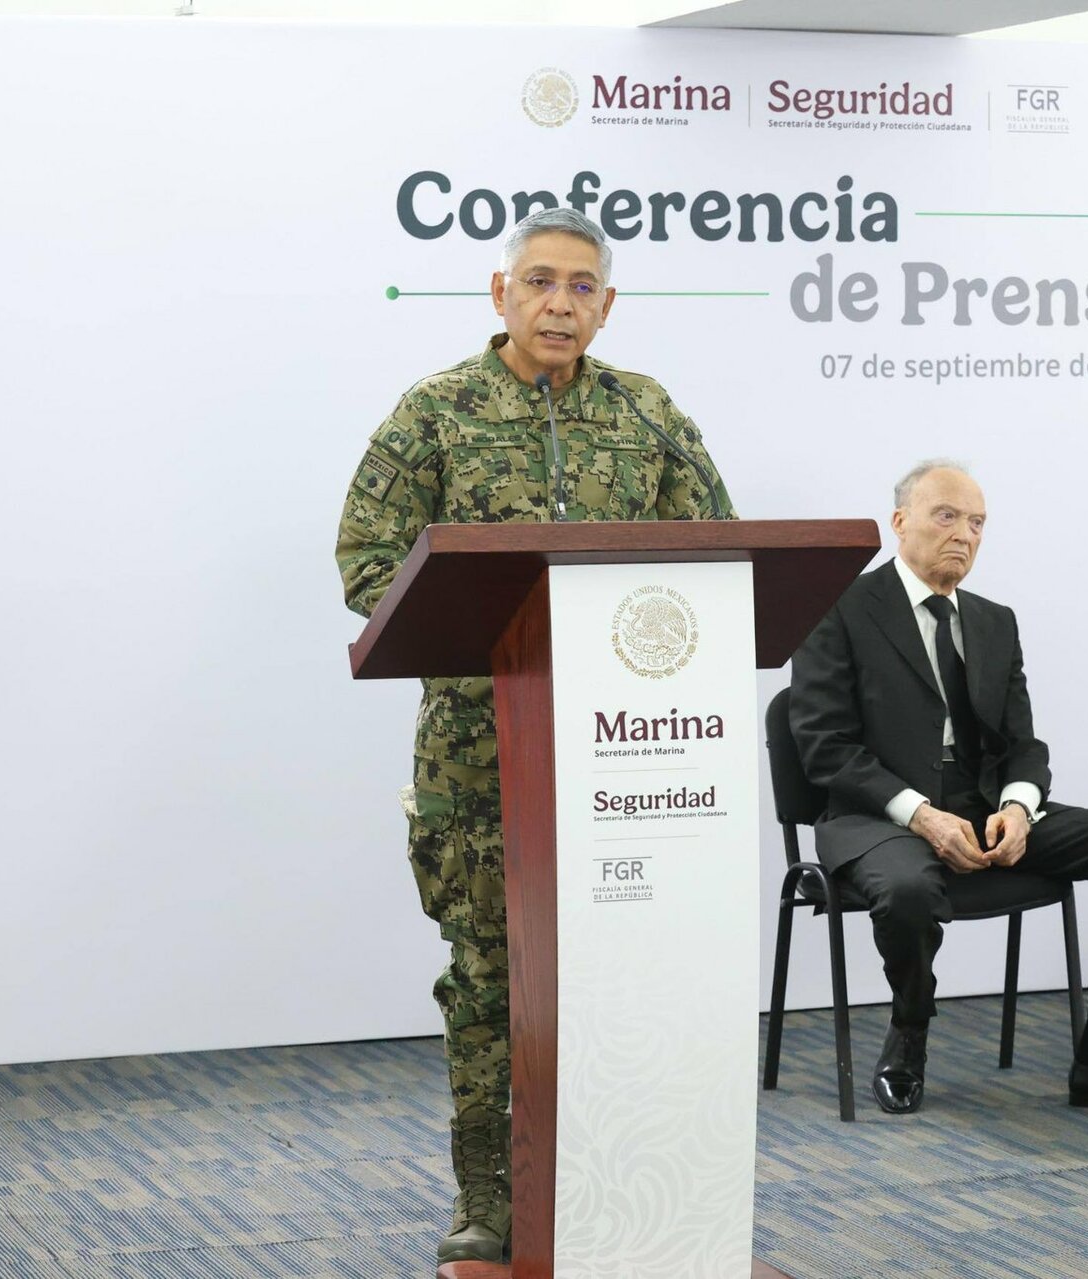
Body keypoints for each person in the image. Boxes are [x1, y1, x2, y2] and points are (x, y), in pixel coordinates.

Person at [334, 208, 733, 1265]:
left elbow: (717, 548)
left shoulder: (646, 414)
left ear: (608, 306)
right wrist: (488, 628)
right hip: (480, 756)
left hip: (628, 751)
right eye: (542, 281)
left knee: (623, 972)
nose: (561, 303)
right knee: (487, 976)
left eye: (582, 287)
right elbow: (368, 564)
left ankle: (620, 1177)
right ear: (500, 292)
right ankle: (486, 1195)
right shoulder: (436, 412)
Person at [789, 460, 1088, 1117]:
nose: (964, 534)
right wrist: (922, 815)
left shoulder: (994, 621)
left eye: (977, 523)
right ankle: (909, 1030)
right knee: (907, 889)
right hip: (876, 813)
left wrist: (1018, 805)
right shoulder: (838, 608)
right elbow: (825, 746)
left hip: (982, 804)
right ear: (900, 522)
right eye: (946, 516)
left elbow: (1023, 743)